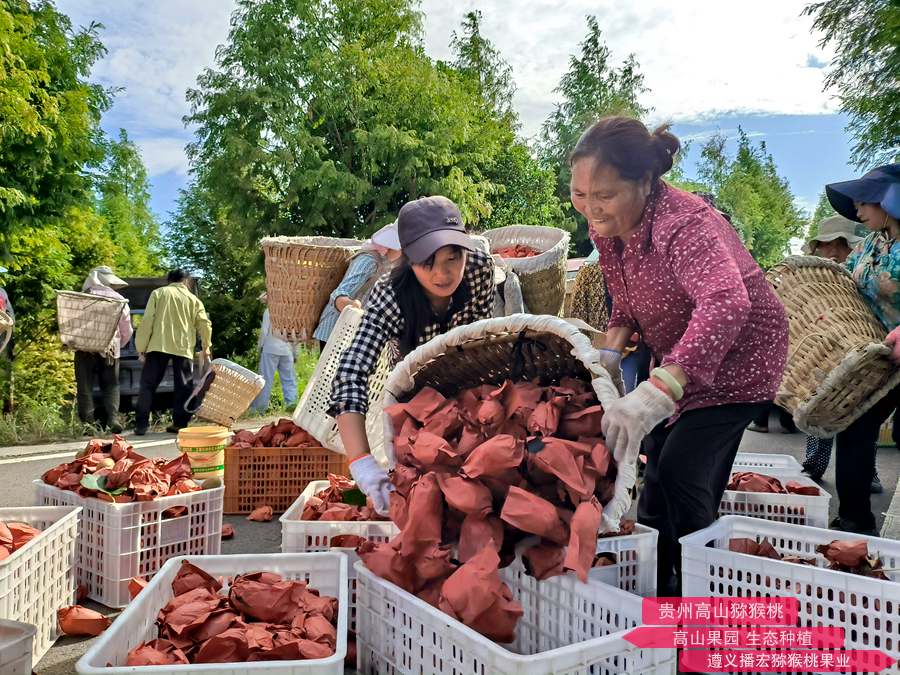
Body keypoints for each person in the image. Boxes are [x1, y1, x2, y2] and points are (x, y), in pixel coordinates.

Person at [568, 116, 789, 595]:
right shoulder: (608, 234)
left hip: (740, 362)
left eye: (603, 194)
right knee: (655, 471)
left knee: (683, 474)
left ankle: (703, 598)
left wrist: (661, 389)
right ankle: (659, 586)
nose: (591, 209)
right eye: (580, 194)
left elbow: (728, 301)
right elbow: (625, 304)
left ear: (645, 182)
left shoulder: (684, 224)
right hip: (682, 361)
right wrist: (606, 361)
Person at [329, 196, 496, 514]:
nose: (443, 274)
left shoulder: (478, 269)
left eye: (452, 258)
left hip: (467, 375)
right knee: (421, 482)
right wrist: (362, 463)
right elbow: (351, 371)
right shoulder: (389, 295)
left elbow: (480, 336)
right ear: (407, 257)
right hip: (413, 389)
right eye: (427, 262)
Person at [824, 163, 900, 534]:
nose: (856, 208)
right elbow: (845, 283)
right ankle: (854, 520)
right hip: (880, 356)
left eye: (863, 200)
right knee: (854, 424)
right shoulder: (871, 242)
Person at [797, 216, 884, 490]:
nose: (832, 251)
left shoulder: (863, 272)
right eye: (826, 245)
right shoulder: (816, 278)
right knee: (820, 407)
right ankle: (813, 465)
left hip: (863, 348)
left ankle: (866, 472)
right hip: (826, 351)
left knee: (861, 414)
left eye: (840, 244)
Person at [134, 269, 212, 435]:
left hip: (158, 344)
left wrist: (141, 348)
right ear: (185, 281)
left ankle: (141, 425)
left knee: (148, 384)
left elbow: (147, 321)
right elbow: (205, 324)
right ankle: (179, 424)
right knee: (183, 386)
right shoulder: (193, 299)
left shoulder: (158, 293)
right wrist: (206, 346)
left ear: (169, 281)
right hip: (182, 347)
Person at [313, 222, 403, 350]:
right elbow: (338, 295)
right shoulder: (369, 261)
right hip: (335, 332)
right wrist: (354, 307)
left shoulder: (393, 266)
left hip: (357, 335)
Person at [74, 266, 134, 433]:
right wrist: (118, 345)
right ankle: (112, 420)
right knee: (111, 385)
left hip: (83, 348)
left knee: (84, 386)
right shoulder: (119, 299)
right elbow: (126, 329)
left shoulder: (81, 297)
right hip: (110, 348)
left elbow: (71, 323)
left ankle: (88, 424)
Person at [251, 292, 298, 413]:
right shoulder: (289, 313)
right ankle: (291, 406)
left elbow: (264, 332)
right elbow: (294, 334)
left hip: (270, 349)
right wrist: (295, 352)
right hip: (287, 350)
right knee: (289, 380)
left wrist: (259, 347)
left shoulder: (269, 312)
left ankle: (259, 409)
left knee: (265, 379)